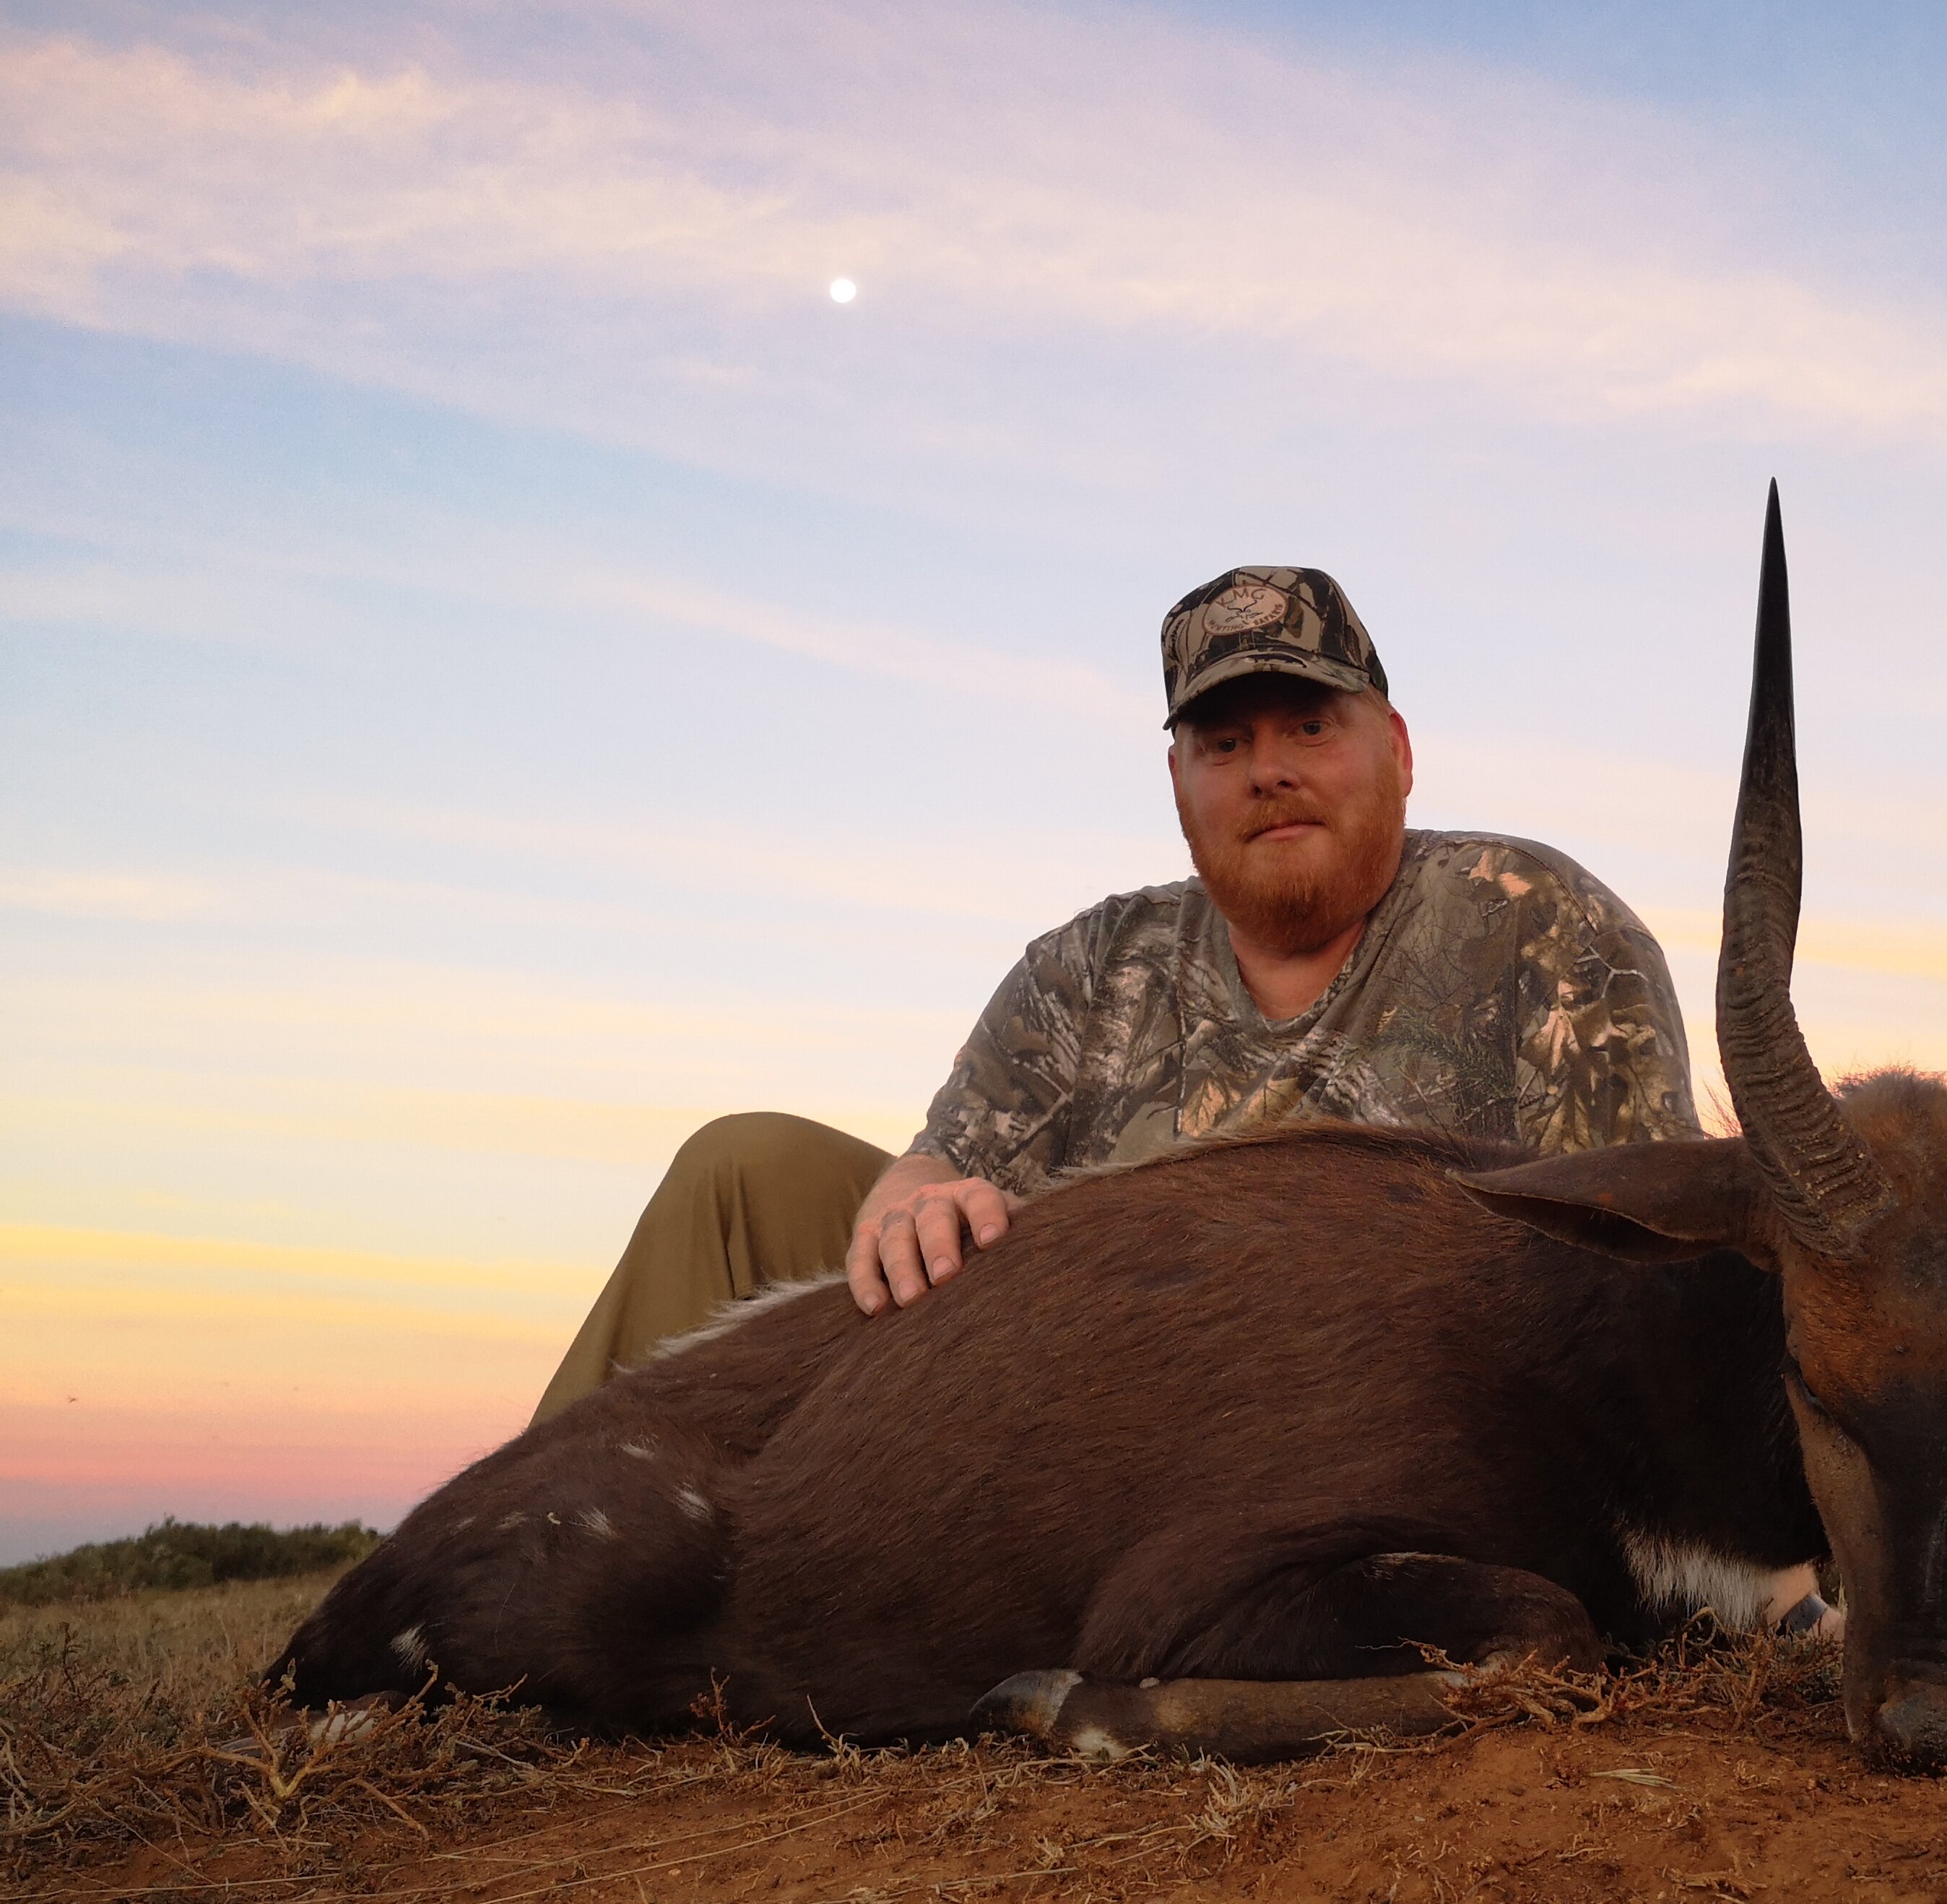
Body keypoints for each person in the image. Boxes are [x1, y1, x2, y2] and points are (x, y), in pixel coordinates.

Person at [522, 563, 1830, 1627]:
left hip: (1355, 1467)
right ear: (1178, 783)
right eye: (1223, 740)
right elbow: (933, 1170)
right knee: (742, 1165)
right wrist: (917, 1196)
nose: (1267, 769)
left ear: (1399, 750)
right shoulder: (1089, 963)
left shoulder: (1539, 925)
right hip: (1084, 1395)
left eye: (1308, 726)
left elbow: (1645, 1284)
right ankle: (519, 1540)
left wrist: (1751, 1563)